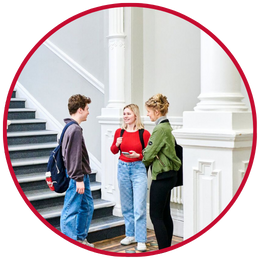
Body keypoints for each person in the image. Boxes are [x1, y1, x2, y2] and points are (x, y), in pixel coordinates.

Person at [142, 94, 181, 250]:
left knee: (155, 216)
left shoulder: (160, 129)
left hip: (162, 177)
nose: (147, 114)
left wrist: (141, 155)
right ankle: (166, 249)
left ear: (157, 111)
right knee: (165, 214)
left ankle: (163, 250)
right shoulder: (167, 126)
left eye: (149, 111)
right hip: (170, 176)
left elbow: (148, 154)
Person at [110, 104, 151, 252]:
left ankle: (141, 239)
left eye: (128, 114)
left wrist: (138, 156)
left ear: (135, 115)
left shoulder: (144, 134)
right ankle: (130, 235)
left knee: (139, 206)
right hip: (122, 168)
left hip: (138, 169)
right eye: (124, 114)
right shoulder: (119, 132)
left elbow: (149, 154)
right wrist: (117, 143)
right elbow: (114, 151)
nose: (125, 116)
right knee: (127, 205)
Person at [60, 94, 94, 247]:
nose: (88, 112)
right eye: (87, 109)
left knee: (87, 207)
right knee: (71, 210)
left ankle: (80, 238)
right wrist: (78, 179)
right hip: (77, 176)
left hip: (80, 175)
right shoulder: (75, 130)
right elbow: (73, 157)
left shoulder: (70, 127)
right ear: (80, 110)